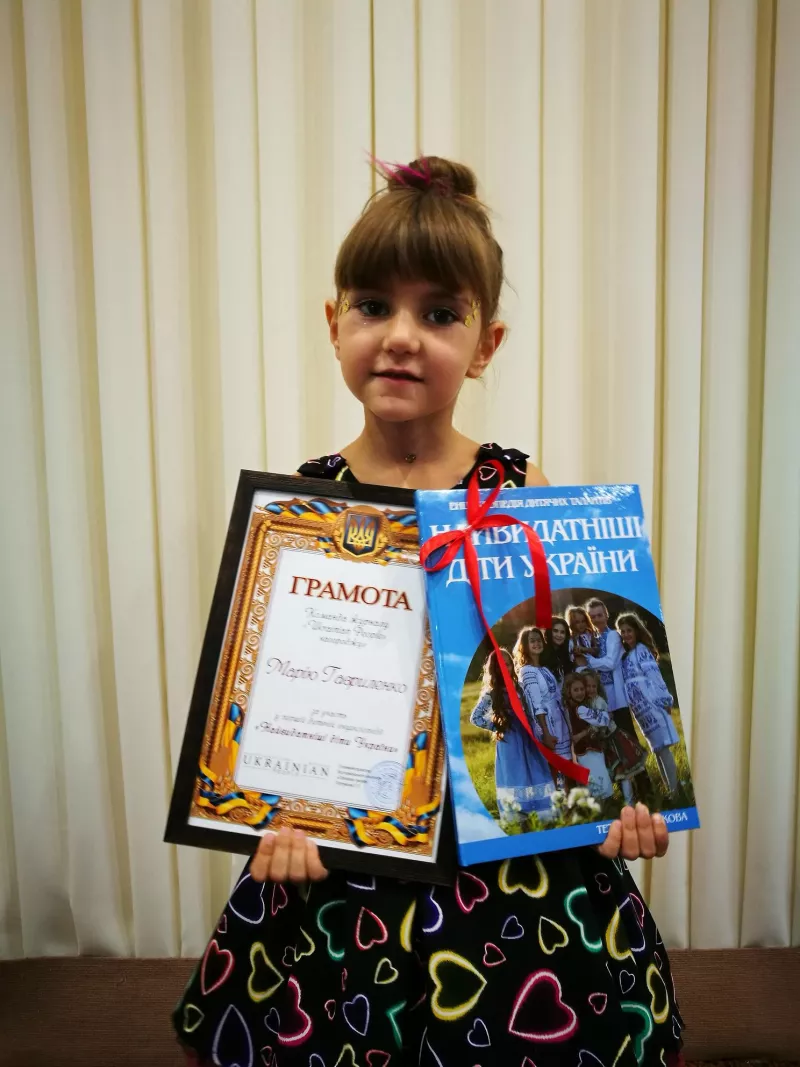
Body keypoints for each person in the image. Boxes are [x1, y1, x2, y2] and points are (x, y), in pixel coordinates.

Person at [173, 156, 682, 1067]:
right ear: (333, 325)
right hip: (348, 857)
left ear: (486, 344)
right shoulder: (303, 505)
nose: (401, 337)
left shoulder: (519, 488)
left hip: (514, 861)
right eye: (374, 306)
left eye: (440, 313)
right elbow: (278, 701)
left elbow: (566, 670)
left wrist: (620, 803)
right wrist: (273, 818)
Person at [469, 648, 555, 824]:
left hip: (528, 738)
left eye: (507, 664)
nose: (504, 668)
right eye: (500, 666)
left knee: (534, 770)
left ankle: (542, 814)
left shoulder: (520, 688)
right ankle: (517, 816)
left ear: (512, 666)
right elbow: (475, 718)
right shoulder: (492, 693)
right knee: (515, 774)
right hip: (509, 742)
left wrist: (539, 732)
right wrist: (497, 726)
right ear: (494, 669)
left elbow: (531, 711)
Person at [582, 597, 652, 800]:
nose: (596, 619)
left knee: (629, 744)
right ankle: (627, 792)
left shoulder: (612, 635)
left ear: (606, 615)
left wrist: (589, 660)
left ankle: (645, 788)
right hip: (604, 703)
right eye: (592, 616)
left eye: (599, 615)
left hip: (617, 701)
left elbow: (611, 662)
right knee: (613, 748)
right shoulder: (594, 639)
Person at [617, 612, 680, 795]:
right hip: (641, 711)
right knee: (657, 749)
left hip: (653, 704)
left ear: (636, 631)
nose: (626, 634)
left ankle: (675, 790)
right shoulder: (626, 656)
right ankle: (669, 789)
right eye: (622, 631)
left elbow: (654, 675)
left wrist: (664, 699)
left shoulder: (642, 650)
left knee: (663, 748)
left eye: (629, 630)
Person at [512, 626, 572, 785]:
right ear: (525, 646)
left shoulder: (544, 668)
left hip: (559, 721)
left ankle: (569, 796)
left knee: (565, 767)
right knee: (554, 768)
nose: (537, 643)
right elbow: (536, 704)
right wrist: (545, 733)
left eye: (539, 640)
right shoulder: (527, 671)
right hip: (547, 724)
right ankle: (559, 798)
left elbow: (556, 695)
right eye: (532, 641)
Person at [583, 669, 648, 806]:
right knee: (615, 772)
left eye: (593, 686)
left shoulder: (599, 702)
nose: (591, 689)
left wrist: (595, 732)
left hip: (613, 739)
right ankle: (620, 800)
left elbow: (602, 723)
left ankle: (629, 802)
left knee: (623, 772)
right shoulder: (586, 704)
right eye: (588, 686)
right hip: (604, 742)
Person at [561, 673, 615, 800]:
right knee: (599, 780)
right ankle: (605, 805)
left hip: (582, 750)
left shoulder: (568, 707)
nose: (580, 693)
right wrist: (607, 715)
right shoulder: (580, 709)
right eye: (576, 690)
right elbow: (603, 720)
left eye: (582, 689)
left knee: (592, 781)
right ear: (569, 691)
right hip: (589, 749)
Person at [566, 605, 596, 670]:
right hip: (579, 668)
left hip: (593, 666)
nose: (581, 624)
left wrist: (584, 649)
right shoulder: (570, 639)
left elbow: (596, 650)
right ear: (572, 623)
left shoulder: (589, 634)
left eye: (583, 621)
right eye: (577, 622)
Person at [543, 614, 572, 682]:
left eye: (562, 632)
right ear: (549, 631)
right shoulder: (542, 653)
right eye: (555, 631)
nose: (559, 635)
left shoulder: (565, 654)